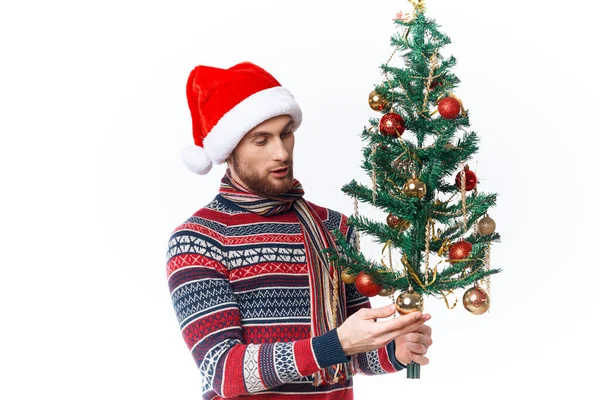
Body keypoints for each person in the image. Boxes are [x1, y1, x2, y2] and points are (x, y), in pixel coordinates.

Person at [166, 61, 433, 399]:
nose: (281, 153)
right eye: (260, 140)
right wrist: (336, 344)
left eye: (285, 133)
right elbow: (223, 370)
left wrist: (394, 351)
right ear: (229, 149)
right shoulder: (198, 240)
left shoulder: (333, 227)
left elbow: (354, 350)